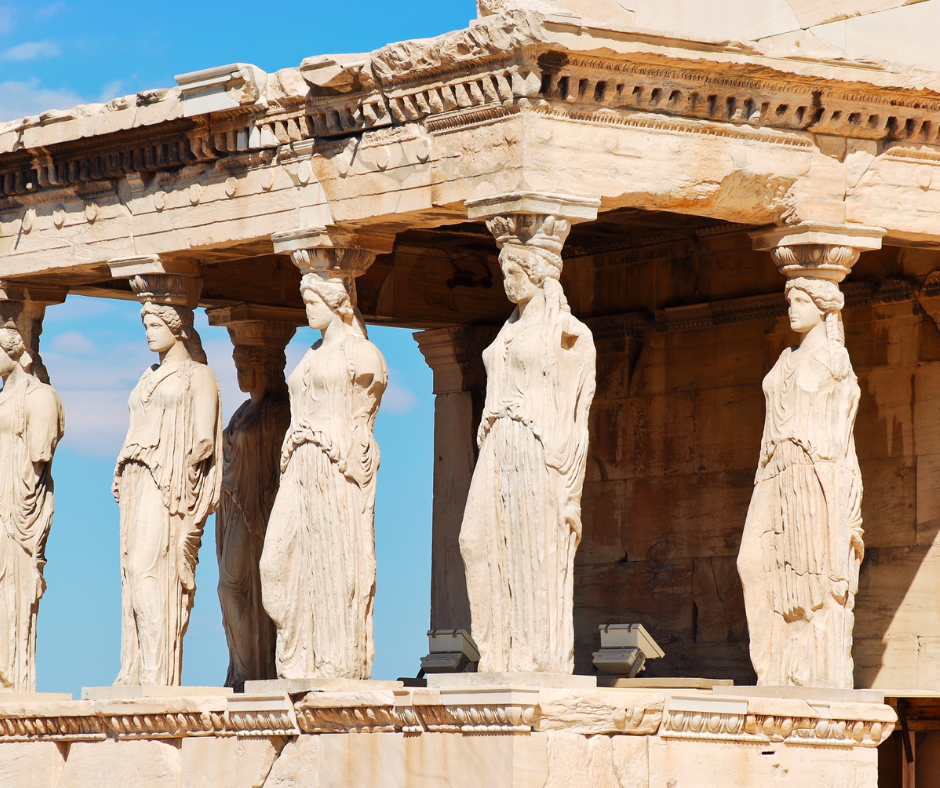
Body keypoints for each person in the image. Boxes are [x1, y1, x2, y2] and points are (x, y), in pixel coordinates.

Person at [459, 239, 596, 674]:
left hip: (536, 446)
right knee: (474, 540)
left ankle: (534, 656)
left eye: (514, 273)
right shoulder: (507, 330)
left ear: (538, 274)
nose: (507, 282)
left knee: (533, 548)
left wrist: (566, 477)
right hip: (498, 440)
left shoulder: (567, 333)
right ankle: (496, 649)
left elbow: (577, 409)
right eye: (504, 274)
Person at [737, 276, 863, 688]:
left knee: (812, 575)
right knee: (751, 563)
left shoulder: (834, 360)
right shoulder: (784, 359)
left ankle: (808, 672)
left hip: (813, 471)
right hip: (773, 469)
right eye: (789, 300)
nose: (792, 308)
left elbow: (841, 436)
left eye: (801, 301)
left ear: (823, 308)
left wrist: (841, 502)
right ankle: (771, 668)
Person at [260, 273, 387, 679]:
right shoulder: (310, 354)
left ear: (336, 303)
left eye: (313, 301)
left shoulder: (362, 354)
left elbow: (364, 417)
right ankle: (298, 658)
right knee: (274, 564)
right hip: (299, 462)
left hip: (335, 465)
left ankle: (335, 662)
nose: (307, 309)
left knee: (335, 561)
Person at [113, 303, 222, 686]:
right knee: (131, 573)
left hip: (170, 483)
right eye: (146, 324)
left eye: (156, 324)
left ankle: (157, 673)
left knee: (149, 569)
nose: (149, 332)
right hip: (137, 478)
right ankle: (135, 667)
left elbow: (205, 439)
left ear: (177, 327)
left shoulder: (199, 375)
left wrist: (182, 466)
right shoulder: (148, 375)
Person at [217, 343, 290, 690]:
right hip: (233, 507)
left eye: (246, 366)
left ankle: (255, 669)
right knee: (230, 588)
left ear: (266, 367)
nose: (240, 373)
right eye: (237, 366)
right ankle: (242, 668)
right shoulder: (244, 410)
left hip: (259, 512)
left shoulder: (278, 412)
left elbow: (283, 467)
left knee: (235, 586)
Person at [0, 326, 63, 691]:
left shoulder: (39, 396)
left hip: (17, 504)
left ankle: (14, 675)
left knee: (15, 581)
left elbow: (40, 452)